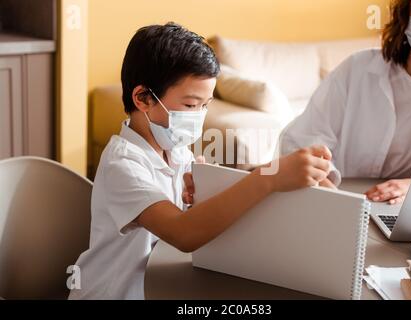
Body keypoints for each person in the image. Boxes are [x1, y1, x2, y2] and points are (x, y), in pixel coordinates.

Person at [69, 23, 333, 300]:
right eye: (191, 105)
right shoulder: (122, 166)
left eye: (205, 105)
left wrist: (207, 186)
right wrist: (269, 177)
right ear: (144, 98)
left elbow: (197, 216)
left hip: (157, 286)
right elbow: (184, 233)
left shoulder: (176, 149)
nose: (199, 115)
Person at [279, 0, 411, 205]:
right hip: (342, 197)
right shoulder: (357, 69)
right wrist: (327, 188)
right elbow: (300, 140)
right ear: (405, 13)